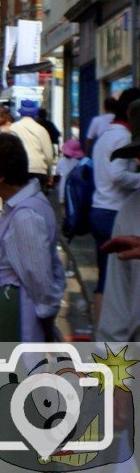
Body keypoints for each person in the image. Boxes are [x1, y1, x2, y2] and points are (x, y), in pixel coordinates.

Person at [0, 133, 65, 473]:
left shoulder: (25, 216)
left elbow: (40, 278)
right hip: (9, 310)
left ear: (0, 177)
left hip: (11, 317)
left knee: (4, 396)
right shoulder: (22, 208)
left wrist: (47, 323)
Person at [89, 86, 140, 322]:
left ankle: (100, 329)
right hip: (111, 209)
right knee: (113, 278)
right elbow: (117, 174)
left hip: (102, 207)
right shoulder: (121, 136)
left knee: (108, 277)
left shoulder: (106, 135)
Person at [9, 103, 54, 189]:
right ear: (35, 114)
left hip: (19, 170)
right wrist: (50, 173)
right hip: (39, 169)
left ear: (21, 113)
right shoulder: (41, 130)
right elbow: (48, 155)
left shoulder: (13, 128)